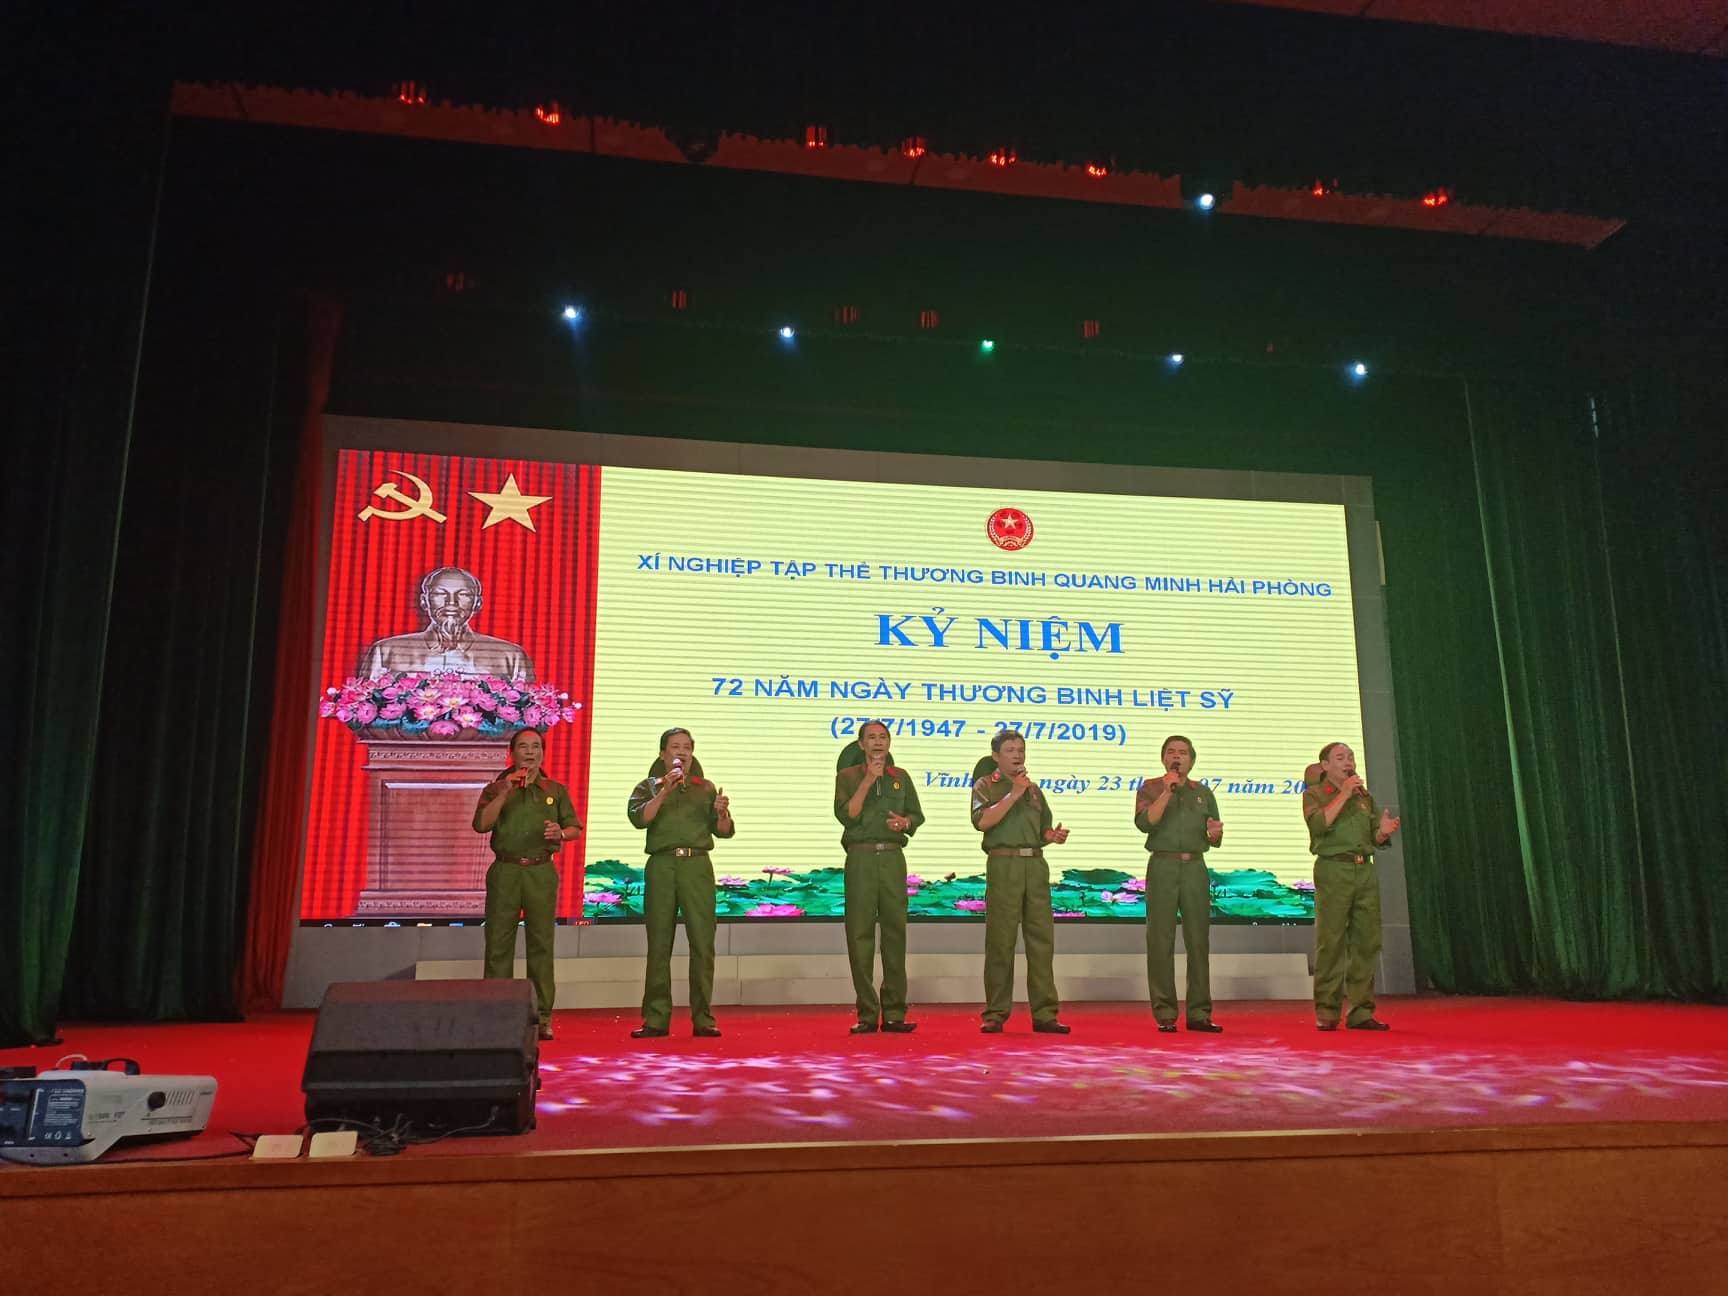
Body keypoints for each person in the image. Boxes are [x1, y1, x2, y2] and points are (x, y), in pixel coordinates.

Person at [471, 727, 580, 1041]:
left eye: (536, 747)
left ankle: (541, 1017)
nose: (530, 753)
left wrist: (561, 833)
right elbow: (481, 825)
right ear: (513, 752)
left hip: (540, 871)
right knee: (498, 945)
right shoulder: (495, 788)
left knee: (541, 945)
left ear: (542, 753)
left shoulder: (554, 790)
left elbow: (574, 828)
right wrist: (505, 791)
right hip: (505, 871)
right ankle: (497, 1015)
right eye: (523, 747)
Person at [627, 728, 734, 1039]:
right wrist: (665, 791)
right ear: (663, 754)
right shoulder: (648, 786)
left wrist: (722, 813)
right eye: (675, 747)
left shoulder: (706, 788)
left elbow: (723, 830)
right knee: (659, 943)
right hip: (661, 865)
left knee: (703, 942)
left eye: (687, 747)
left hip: (697, 866)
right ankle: (656, 1018)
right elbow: (639, 819)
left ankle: (703, 1018)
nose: (682, 752)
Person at [971, 730, 1071, 1034]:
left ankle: (1045, 1013)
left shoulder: (1034, 790)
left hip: (1035, 866)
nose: (1017, 755)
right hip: (1004, 865)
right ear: (996, 756)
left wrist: (1053, 836)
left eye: (1021, 749)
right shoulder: (986, 785)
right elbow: (982, 822)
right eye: (1011, 750)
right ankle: (995, 1013)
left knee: (1042, 941)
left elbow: (1043, 830)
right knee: (1000, 941)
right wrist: (1013, 793)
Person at [834, 721, 926, 1036]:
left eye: (883, 737)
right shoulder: (847, 777)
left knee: (895, 934)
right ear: (861, 744)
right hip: (860, 858)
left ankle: (895, 1013)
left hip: (892, 858)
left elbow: (916, 815)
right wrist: (868, 780)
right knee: (859, 935)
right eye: (871, 738)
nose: (878, 742)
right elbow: (848, 815)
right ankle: (867, 1014)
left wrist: (905, 822)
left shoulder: (901, 777)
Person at [1304, 742, 1401, 1031]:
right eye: (1340, 757)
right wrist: (1344, 793)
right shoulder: (1315, 793)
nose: (1348, 762)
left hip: (1364, 869)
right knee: (1331, 941)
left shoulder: (1363, 795)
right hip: (1333, 868)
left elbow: (1372, 836)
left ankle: (1361, 1011)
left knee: (1366, 942)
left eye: (1351, 757)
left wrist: (1382, 833)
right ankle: (1327, 1011)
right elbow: (1318, 825)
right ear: (1325, 765)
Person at [1135, 735, 1224, 1034]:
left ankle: (1199, 1013)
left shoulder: (1203, 792)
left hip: (1195, 866)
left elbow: (1214, 834)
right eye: (1172, 752)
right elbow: (1145, 823)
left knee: (1198, 941)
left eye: (1183, 753)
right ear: (1164, 759)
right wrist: (1167, 791)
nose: (1177, 757)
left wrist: (1214, 834)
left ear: (1192, 760)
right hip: (1163, 865)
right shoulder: (1150, 787)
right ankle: (1165, 1013)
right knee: (1160, 940)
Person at [359, 566, 536, 680]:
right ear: (424, 601)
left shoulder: (510, 656)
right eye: (440, 594)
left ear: (478, 603)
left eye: (463, 594)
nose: (451, 602)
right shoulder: (386, 651)